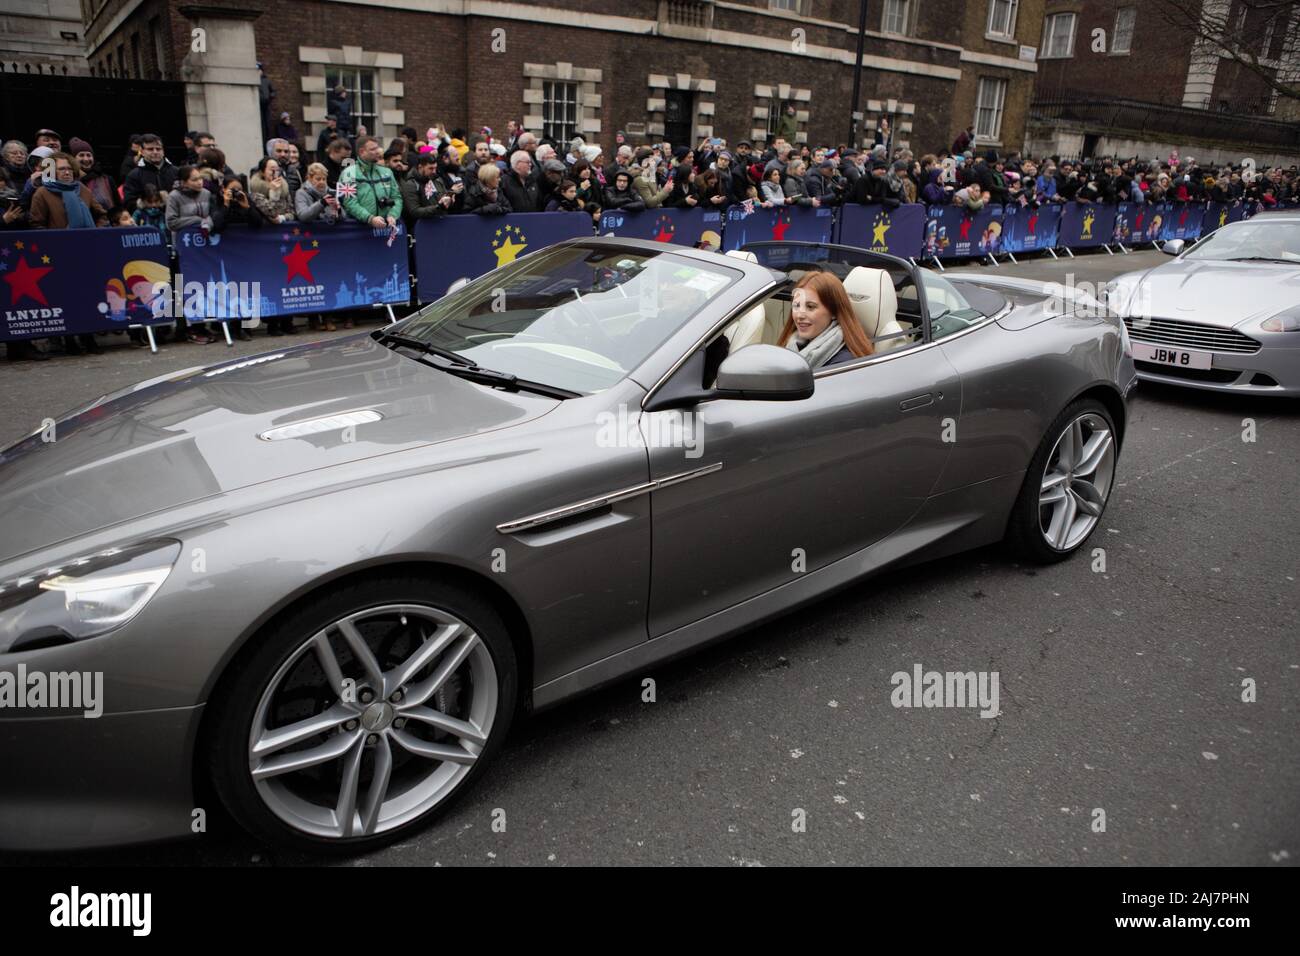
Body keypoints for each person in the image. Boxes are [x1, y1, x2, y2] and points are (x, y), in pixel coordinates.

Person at [28, 151, 109, 355]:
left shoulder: (82, 190)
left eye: (68, 168)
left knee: (88, 294)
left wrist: (96, 232)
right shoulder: (43, 193)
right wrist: (56, 240)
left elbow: (101, 214)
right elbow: (36, 224)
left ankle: (89, 336)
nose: (66, 172)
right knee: (65, 297)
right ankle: (69, 339)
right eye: (61, 169)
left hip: (86, 252)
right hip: (59, 254)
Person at [779, 272, 873, 369]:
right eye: (797, 306)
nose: (800, 315)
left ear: (833, 312)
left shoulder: (843, 364)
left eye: (810, 307)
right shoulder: (793, 345)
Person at [337, 135, 403, 226]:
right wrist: (369, 218)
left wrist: (393, 215)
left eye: (377, 148)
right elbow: (349, 203)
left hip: (386, 229)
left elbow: (397, 198)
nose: (377, 152)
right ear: (362, 152)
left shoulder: (387, 172)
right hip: (358, 229)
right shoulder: (348, 174)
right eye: (373, 149)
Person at [123, 134, 178, 207]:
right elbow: (129, 202)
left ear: (163, 151)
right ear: (142, 152)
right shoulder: (134, 175)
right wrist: (149, 202)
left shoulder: (176, 171)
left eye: (158, 149)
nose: (155, 152)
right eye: (150, 149)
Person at [400, 152, 453, 223]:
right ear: (420, 167)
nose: (434, 171)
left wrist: (450, 198)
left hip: (441, 222)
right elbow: (415, 211)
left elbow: (443, 197)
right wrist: (438, 207)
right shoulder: (411, 184)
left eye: (435, 168)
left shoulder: (436, 179)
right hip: (422, 226)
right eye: (431, 168)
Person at [69, 138, 115, 211]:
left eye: (89, 155)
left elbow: (117, 207)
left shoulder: (106, 180)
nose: (86, 159)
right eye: (81, 155)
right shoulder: (68, 180)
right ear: (73, 158)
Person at [249, 156, 294, 224]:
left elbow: (292, 213)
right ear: (262, 172)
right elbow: (272, 213)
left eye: (278, 170)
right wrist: (274, 193)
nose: (275, 173)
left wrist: (283, 218)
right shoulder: (256, 192)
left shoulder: (284, 189)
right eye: (272, 170)